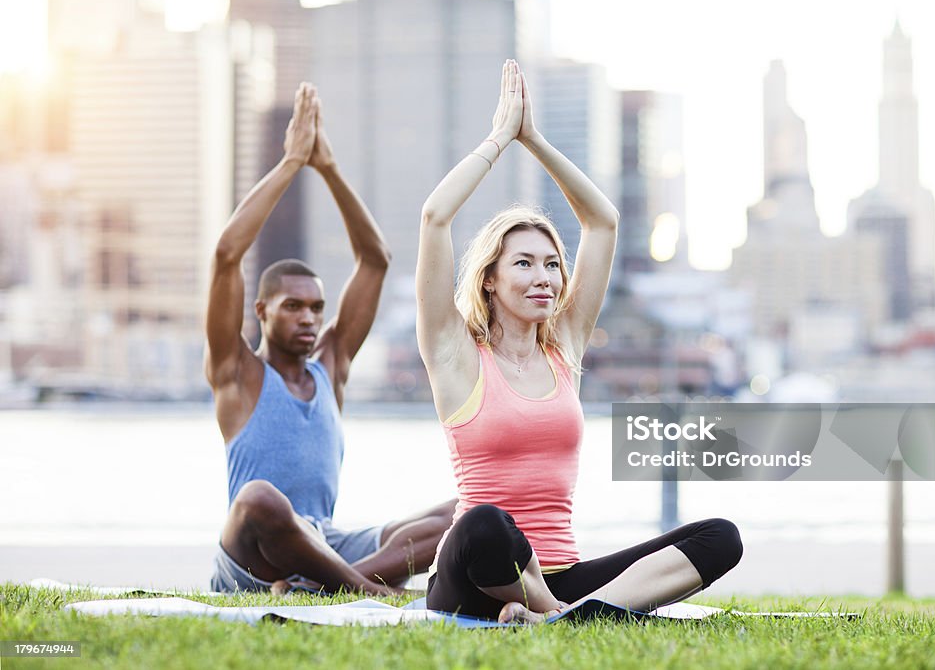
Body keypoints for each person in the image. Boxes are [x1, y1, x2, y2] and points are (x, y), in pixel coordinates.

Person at [416, 60, 742, 622]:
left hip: (566, 571)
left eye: (552, 264)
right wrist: (501, 139)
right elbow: (434, 218)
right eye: (524, 263)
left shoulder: (562, 347)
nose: (544, 277)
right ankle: (559, 614)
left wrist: (535, 139)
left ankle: (566, 613)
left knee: (721, 537)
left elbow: (602, 223)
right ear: (489, 278)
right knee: (485, 522)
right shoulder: (455, 353)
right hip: (477, 578)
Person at [205, 82, 455, 595]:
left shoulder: (332, 366)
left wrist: (329, 168)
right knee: (259, 498)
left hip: (326, 545)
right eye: (292, 306)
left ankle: (325, 586)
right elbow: (227, 253)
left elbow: (375, 260)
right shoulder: (236, 371)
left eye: (317, 307)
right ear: (262, 311)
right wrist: (293, 163)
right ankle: (365, 589)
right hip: (256, 552)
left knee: (465, 508)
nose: (309, 318)